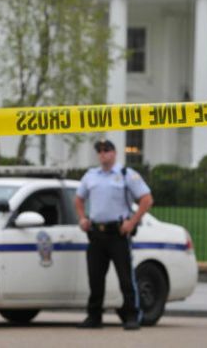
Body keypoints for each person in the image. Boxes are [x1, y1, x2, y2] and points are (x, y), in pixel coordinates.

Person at [74, 138, 154, 330]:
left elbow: (146, 199)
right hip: (96, 233)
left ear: (114, 153)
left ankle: (132, 316)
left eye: (106, 150)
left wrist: (132, 222)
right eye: (100, 151)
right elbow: (78, 199)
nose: (103, 154)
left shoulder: (126, 174)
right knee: (95, 278)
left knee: (126, 278)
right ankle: (94, 316)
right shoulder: (91, 176)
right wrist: (83, 218)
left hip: (117, 233)